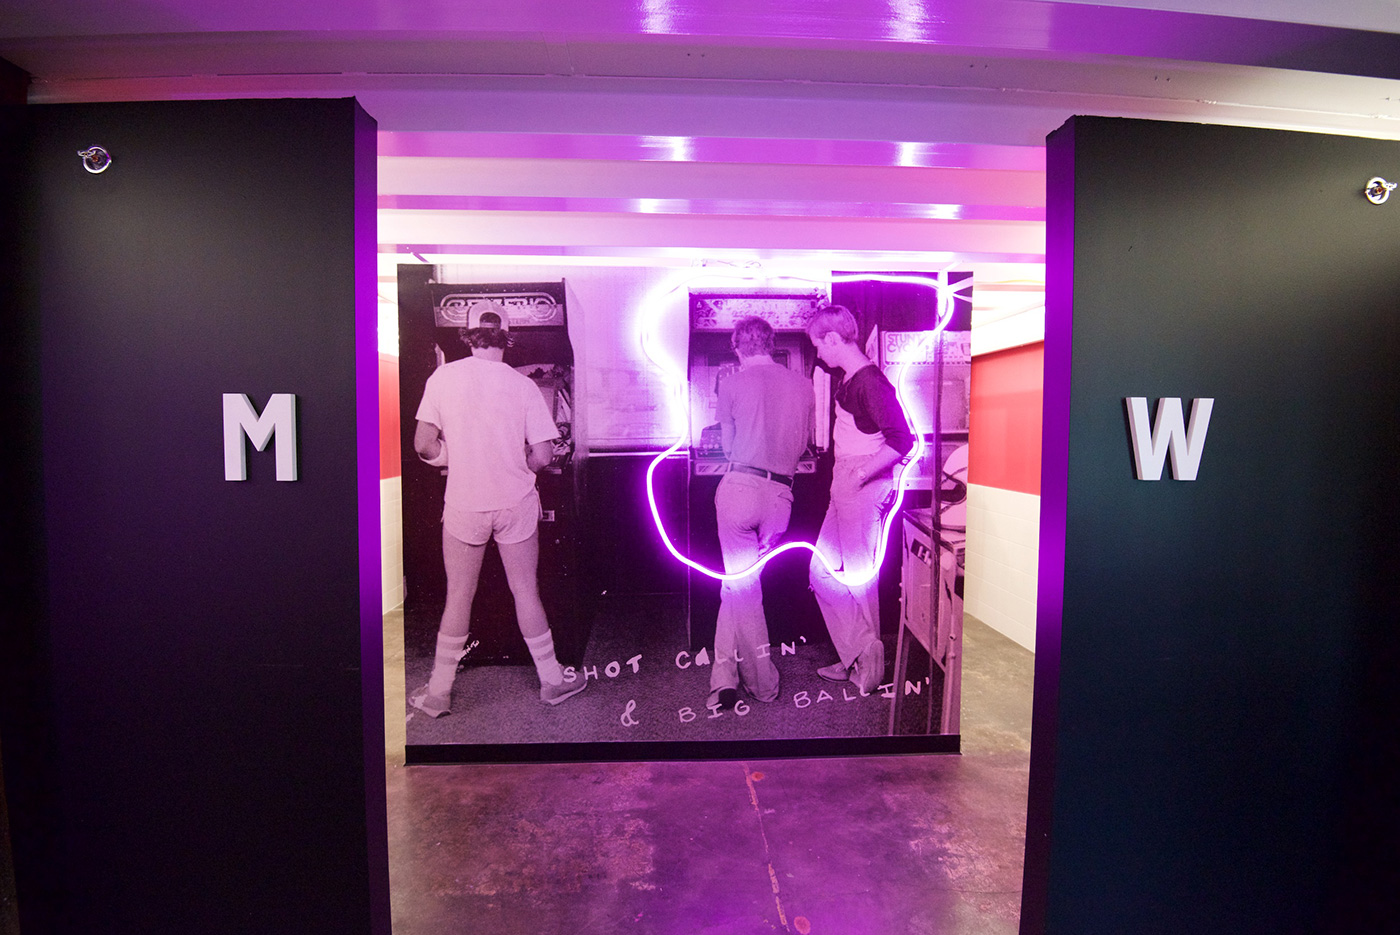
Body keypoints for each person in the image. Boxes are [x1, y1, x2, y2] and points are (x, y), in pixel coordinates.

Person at [409, 301, 585, 716]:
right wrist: (515, 462)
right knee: (526, 590)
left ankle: (438, 693)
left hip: (464, 503)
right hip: (515, 502)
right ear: (506, 336)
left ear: (468, 335)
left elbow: (422, 445)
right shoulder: (522, 385)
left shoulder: (443, 377)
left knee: (458, 597)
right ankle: (552, 681)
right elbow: (543, 454)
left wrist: (455, 458)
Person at [706, 316, 815, 711]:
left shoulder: (730, 382)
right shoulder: (804, 385)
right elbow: (804, 444)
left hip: (739, 489)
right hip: (780, 498)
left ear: (738, 347)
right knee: (735, 588)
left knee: (743, 591)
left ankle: (763, 683)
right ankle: (722, 679)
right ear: (773, 346)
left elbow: (728, 445)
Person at [806, 304, 914, 694]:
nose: (818, 352)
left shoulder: (869, 382)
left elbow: (903, 440)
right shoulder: (852, 380)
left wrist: (863, 474)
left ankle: (870, 669)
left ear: (833, 339)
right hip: (846, 484)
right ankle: (858, 653)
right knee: (821, 574)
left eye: (819, 344)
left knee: (858, 577)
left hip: (861, 486)